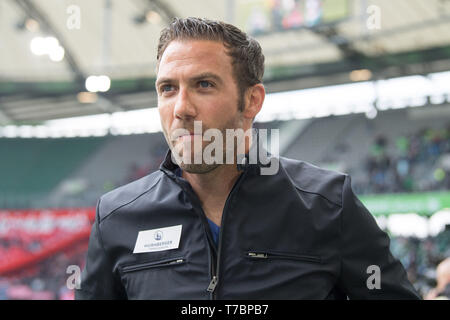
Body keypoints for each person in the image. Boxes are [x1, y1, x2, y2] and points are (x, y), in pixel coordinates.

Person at [76, 17, 421, 300]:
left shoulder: (328, 204)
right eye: (168, 88)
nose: (181, 108)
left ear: (252, 101)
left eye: (204, 85)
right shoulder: (117, 217)